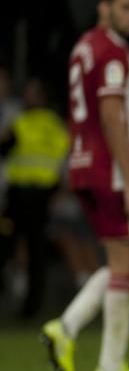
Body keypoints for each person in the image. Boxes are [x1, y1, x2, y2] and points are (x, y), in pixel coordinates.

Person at [40, 0, 129, 371]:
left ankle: (95, 352)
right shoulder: (113, 53)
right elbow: (112, 116)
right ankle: (91, 350)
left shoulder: (84, 46)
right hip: (110, 168)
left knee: (121, 262)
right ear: (104, 7)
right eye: (126, 7)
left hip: (82, 163)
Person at [0, 79, 69, 318]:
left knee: (30, 250)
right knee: (19, 247)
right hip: (27, 196)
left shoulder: (25, 122)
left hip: (33, 197)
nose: (28, 98)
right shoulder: (51, 125)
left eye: (32, 94)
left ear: (42, 97)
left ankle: (31, 307)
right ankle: (28, 304)